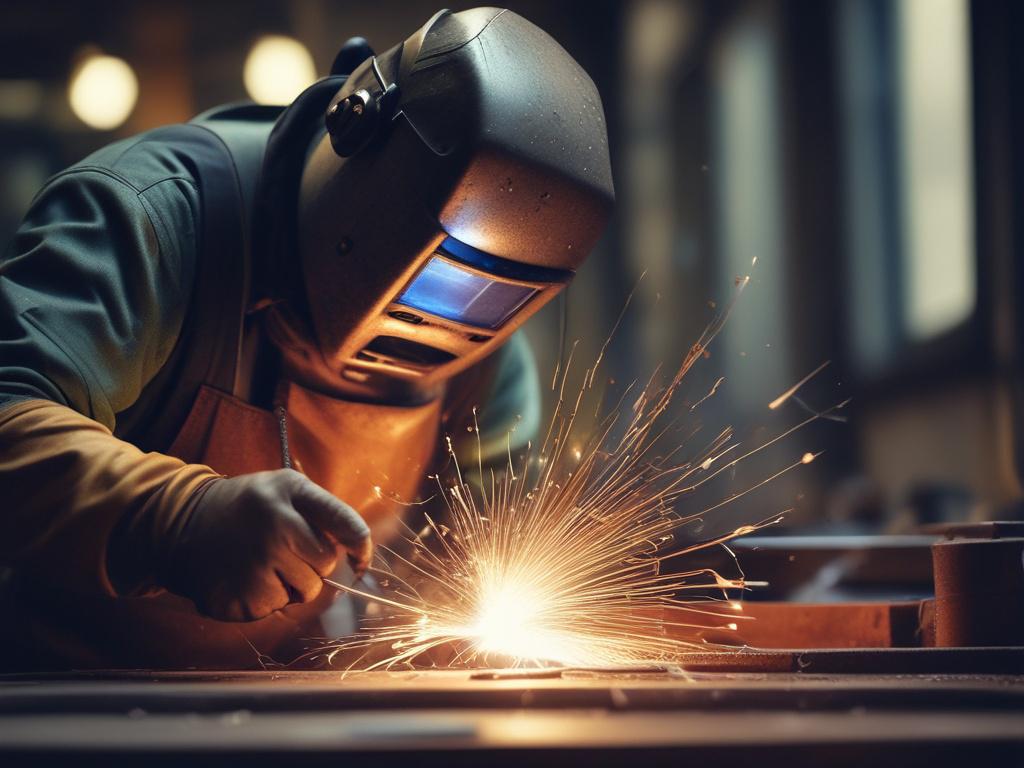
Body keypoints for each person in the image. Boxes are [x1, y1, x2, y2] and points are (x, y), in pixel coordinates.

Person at [0, 7, 613, 670]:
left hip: (269, 702)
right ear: (358, 139)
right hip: (50, 691)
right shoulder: (151, 219)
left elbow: (488, 539)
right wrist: (175, 517)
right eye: (435, 272)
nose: (439, 323)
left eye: (492, 293)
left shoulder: (483, 345)